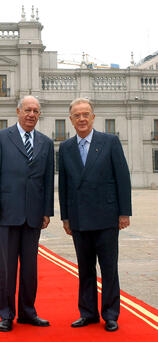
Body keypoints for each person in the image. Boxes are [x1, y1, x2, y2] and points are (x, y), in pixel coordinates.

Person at [59, 98, 132, 332]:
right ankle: (88, 313)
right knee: (85, 268)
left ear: (93, 117)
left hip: (107, 217)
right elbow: (65, 185)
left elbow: (122, 178)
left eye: (86, 114)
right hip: (79, 219)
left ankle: (110, 314)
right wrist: (66, 217)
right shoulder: (66, 148)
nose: (82, 119)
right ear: (71, 120)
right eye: (77, 115)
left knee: (109, 268)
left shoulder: (109, 142)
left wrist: (124, 213)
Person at [0, 95, 54, 332]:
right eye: (27, 110)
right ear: (18, 111)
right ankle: (6, 314)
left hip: (33, 216)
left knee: (30, 269)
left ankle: (27, 312)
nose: (31, 115)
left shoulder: (45, 142)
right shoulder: (0, 138)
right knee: (6, 269)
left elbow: (47, 180)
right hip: (5, 215)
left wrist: (47, 211)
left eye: (35, 111)